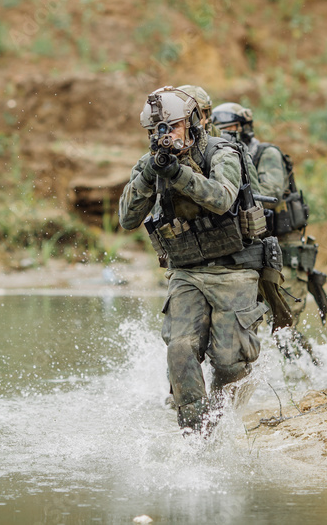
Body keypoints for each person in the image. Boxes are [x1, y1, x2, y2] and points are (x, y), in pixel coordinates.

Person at [118, 86, 274, 435]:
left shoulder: (222, 153)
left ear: (190, 122)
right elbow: (127, 218)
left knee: (229, 361)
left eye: (170, 127)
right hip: (186, 272)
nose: (163, 136)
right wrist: (152, 172)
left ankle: (222, 419)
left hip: (233, 267)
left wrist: (178, 174)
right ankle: (195, 435)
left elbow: (221, 199)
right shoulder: (151, 164)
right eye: (155, 131)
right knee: (180, 350)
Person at [211, 102, 326, 359]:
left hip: (286, 251)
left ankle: (314, 371)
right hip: (256, 251)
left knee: (285, 328)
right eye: (219, 130)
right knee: (248, 323)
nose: (226, 134)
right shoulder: (220, 157)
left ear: (244, 128)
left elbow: (270, 193)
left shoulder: (266, 153)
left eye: (230, 128)